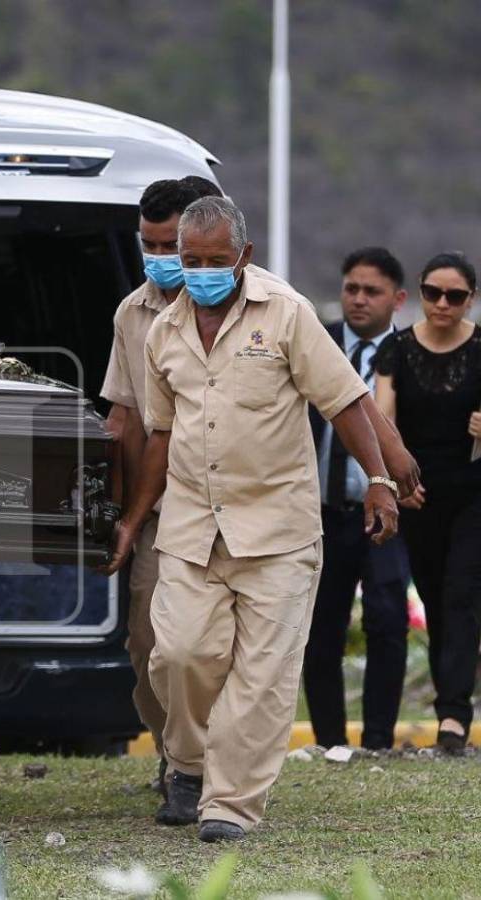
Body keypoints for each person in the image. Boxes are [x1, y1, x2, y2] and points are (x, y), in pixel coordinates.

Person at [106, 196, 403, 843]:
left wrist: (379, 478)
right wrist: (133, 519)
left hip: (278, 529)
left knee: (263, 674)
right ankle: (185, 762)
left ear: (244, 257)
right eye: (191, 260)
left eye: (216, 260)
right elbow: (159, 434)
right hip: (191, 525)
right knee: (180, 655)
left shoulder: (286, 313)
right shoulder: (161, 332)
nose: (202, 271)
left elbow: (344, 400)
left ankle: (229, 804)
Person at [101, 178, 206, 793]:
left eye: (172, 245)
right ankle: (175, 750)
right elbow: (123, 419)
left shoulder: (258, 309)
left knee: (202, 649)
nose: (159, 257)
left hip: (228, 509)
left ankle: (196, 767)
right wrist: (117, 516)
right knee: (150, 644)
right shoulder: (132, 313)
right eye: (149, 243)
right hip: (161, 511)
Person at [304, 247, 411, 752]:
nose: (359, 300)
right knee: (321, 626)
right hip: (321, 513)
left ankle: (378, 741)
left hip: (386, 512)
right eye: (351, 289)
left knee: (387, 620)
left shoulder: (411, 356)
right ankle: (329, 742)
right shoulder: (314, 346)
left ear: (397, 298)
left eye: (372, 291)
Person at [375, 251, 481, 755]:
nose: (443, 304)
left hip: (474, 493)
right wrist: (397, 481)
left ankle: (455, 719)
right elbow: (380, 419)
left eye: (455, 296)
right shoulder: (395, 351)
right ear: (419, 293)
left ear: (471, 300)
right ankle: (449, 705)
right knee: (437, 600)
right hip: (417, 492)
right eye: (433, 293)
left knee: (462, 594)